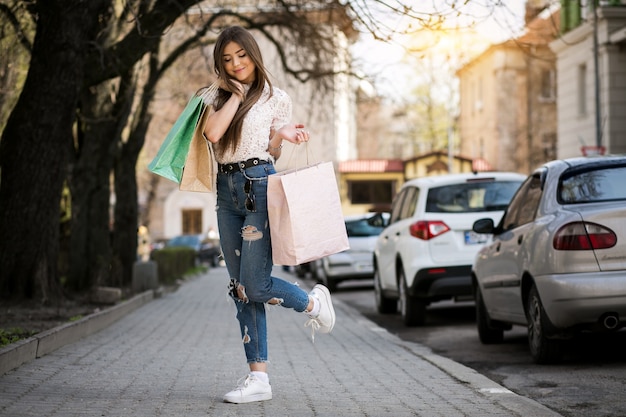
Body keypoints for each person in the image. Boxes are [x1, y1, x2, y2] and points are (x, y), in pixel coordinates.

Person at [201, 25, 336, 404]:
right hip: (225, 191)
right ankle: (258, 378)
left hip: (259, 186)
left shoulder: (277, 97)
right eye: (227, 59)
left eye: (241, 56)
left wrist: (282, 138)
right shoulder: (215, 95)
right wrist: (236, 96)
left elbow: (270, 151)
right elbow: (213, 135)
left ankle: (313, 303)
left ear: (253, 54)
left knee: (256, 285)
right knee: (241, 290)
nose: (235, 63)